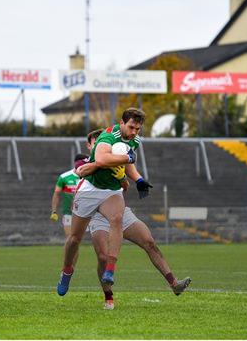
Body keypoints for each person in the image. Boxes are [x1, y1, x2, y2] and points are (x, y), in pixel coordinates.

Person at [78, 128, 191, 310]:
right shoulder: (87, 161)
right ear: (89, 146)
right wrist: (101, 165)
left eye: (103, 143)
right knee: (102, 257)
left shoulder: (116, 157)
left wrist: (130, 178)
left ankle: (174, 284)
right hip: (98, 216)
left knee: (149, 242)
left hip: (119, 213)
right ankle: (108, 297)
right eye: (96, 143)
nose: (101, 145)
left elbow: (124, 186)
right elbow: (81, 171)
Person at [57, 108, 151, 297]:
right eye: (131, 127)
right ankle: (67, 271)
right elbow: (96, 162)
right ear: (122, 123)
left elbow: (125, 164)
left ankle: (110, 269)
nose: (134, 132)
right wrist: (121, 160)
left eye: (138, 129)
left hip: (110, 193)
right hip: (89, 192)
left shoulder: (134, 140)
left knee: (117, 219)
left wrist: (137, 179)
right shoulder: (107, 139)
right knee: (74, 238)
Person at [50, 154, 89, 238]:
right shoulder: (64, 177)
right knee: (71, 240)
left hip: (86, 214)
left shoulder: (90, 176)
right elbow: (56, 193)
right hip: (69, 213)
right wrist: (54, 211)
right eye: (84, 163)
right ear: (76, 163)